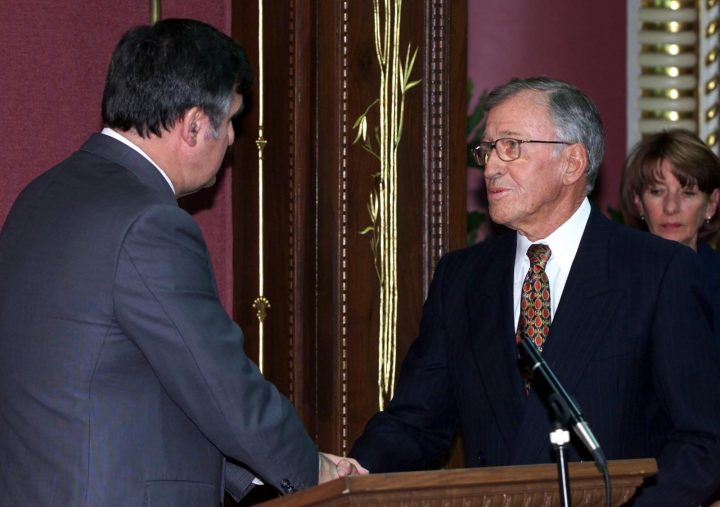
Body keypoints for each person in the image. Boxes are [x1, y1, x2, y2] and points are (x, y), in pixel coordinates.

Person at [0, 18, 364, 507]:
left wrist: (259, 471)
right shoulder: (149, 222)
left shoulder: (38, 198)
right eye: (231, 119)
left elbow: (133, 381)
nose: (233, 139)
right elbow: (221, 386)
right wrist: (316, 471)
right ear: (194, 124)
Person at [350, 77, 720, 506]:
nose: (490, 166)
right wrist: (355, 472)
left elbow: (703, 439)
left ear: (572, 162)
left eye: (510, 146)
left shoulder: (656, 271)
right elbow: (417, 422)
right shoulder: (463, 278)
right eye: (487, 150)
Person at [620, 129, 720, 339]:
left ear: (711, 204)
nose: (671, 207)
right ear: (639, 203)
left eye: (688, 193)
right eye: (657, 191)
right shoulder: (613, 284)